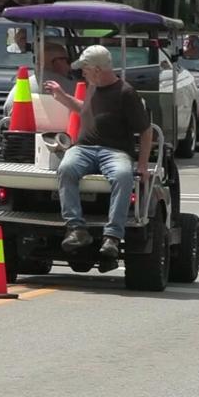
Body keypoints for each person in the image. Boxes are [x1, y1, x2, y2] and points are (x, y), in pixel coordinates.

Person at [43, 45, 153, 261]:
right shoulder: (93, 85)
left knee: (123, 176)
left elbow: (146, 129)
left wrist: (142, 164)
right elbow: (84, 109)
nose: (81, 72)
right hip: (84, 149)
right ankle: (76, 229)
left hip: (115, 151)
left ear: (97, 69)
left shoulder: (125, 92)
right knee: (66, 168)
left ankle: (112, 236)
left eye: (85, 68)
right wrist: (62, 96)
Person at [3, 43, 77, 116]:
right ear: (58, 62)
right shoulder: (71, 87)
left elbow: (7, 112)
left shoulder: (21, 86)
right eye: (68, 61)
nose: (69, 66)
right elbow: (85, 110)